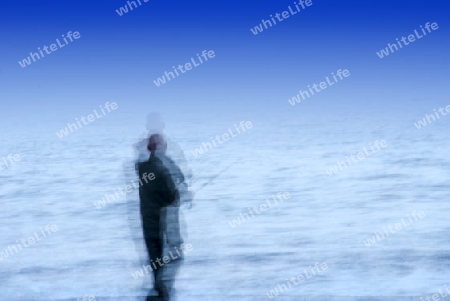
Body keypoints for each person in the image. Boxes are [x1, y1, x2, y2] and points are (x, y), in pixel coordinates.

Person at [137, 134, 191, 301]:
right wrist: (180, 197)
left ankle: (156, 288)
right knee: (167, 253)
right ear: (161, 147)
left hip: (146, 216)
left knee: (153, 253)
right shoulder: (161, 169)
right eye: (163, 145)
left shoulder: (141, 167)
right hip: (161, 217)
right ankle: (162, 291)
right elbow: (170, 195)